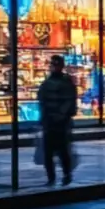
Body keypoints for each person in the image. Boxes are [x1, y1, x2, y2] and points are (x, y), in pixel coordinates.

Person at [38, 55, 78, 186]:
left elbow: (70, 102)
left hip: (59, 122)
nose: (54, 67)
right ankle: (53, 177)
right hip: (52, 122)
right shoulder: (55, 82)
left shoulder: (62, 82)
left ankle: (63, 175)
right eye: (53, 65)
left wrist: (62, 115)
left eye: (56, 65)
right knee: (52, 152)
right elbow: (42, 100)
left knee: (61, 151)